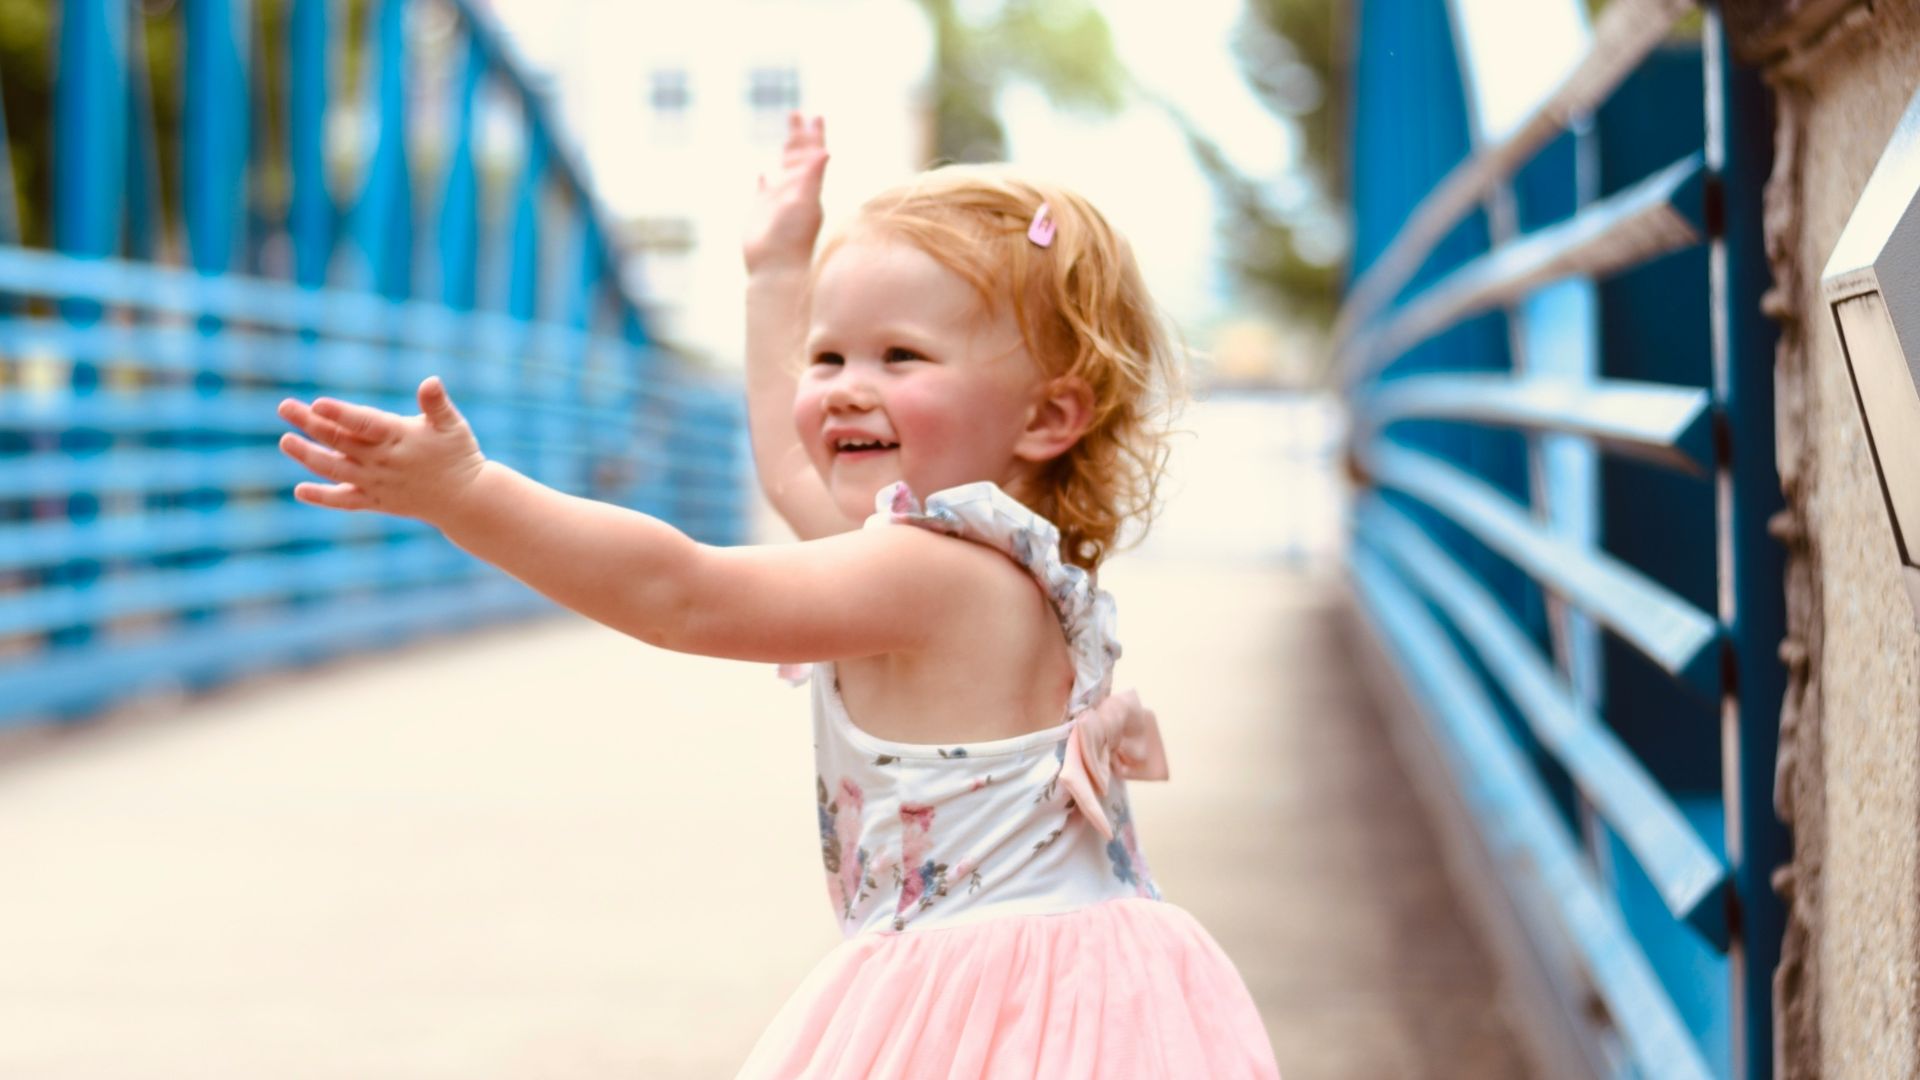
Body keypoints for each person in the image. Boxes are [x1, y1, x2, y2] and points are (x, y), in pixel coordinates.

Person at [276, 113, 1280, 1078]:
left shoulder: (931, 574)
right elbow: (790, 467)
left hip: (983, 994)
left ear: (1049, 415)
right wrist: (776, 277)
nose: (845, 385)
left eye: (902, 357)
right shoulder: (990, 562)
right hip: (1064, 990)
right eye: (829, 355)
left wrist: (471, 495)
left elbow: (683, 593)